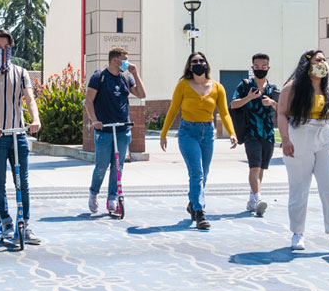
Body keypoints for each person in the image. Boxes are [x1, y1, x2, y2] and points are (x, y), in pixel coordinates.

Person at [277, 50, 329, 252]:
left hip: (325, 136)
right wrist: (286, 140)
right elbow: (281, 113)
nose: (323, 63)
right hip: (300, 135)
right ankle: (297, 233)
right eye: (318, 60)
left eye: (324, 60)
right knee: (299, 188)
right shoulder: (293, 88)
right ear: (307, 65)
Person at [0, 29, 42, 244]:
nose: (1, 51)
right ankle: (6, 222)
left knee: (22, 182)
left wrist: (35, 119)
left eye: (5, 48)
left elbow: (29, 99)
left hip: (18, 134)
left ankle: (25, 224)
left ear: (10, 48)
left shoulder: (21, 73)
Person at [159, 52, 237, 230]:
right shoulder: (183, 85)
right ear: (189, 66)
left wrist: (232, 133)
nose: (199, 63)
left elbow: (224, 112)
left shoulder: (217, 87)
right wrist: (163, 134)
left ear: (207, 64)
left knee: (205, 173)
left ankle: (193, 202)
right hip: (188, 132)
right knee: (197, 172)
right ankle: (200, 212)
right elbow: (172, 110)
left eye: (202, 61)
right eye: (195, 62)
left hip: (208, 132)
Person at [85, 47, 147, 213]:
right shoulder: (99, 77)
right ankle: (93, 193)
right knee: (101, 166)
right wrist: (95, 120)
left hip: (122, 129)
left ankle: (112, 197)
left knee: (117, 166)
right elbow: (89, 101)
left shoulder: (126, 78)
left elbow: (141, 94)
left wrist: (135, 73)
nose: (127, 62)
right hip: (104, 130)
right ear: (115, 60)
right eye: (124, 59)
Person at [231, 53, 279, 216]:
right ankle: (258, 198)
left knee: (262, 168)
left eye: (263, 66)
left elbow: (283, 109)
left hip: (267, 133)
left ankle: (252, 199)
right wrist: (249, 97)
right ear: (252, 68)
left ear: (268, 67)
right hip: (251, 132)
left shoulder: (273, 89)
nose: (260, 69)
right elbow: (233, 104)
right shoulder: (245, 86)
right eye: (257, 67)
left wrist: (272, 103)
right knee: (254, 166)